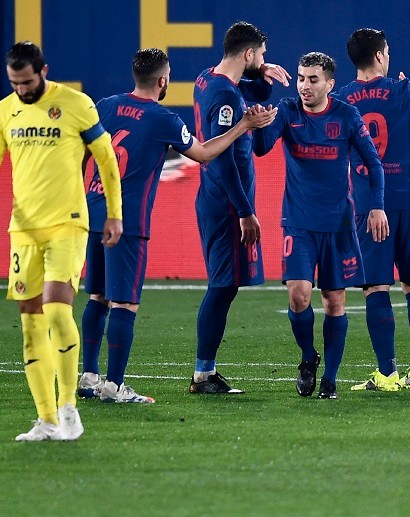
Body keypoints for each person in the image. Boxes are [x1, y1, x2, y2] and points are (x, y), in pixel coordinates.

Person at [78, 49, 278, 403]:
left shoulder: (104, 105)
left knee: (98, 296)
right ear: (163, 81)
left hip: (93, 212)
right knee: (125, 304)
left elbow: (82, 152)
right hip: (127, 222)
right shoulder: (164, 119)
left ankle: (89, 375)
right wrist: (243, 126)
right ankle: (114, 386)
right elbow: (204, 153)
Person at [0, 42, 123, 441]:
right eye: (14, 83)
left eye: (27, 82)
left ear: (43, 71)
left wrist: (114, 213)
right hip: (23, 231)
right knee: (30, 325)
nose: (22, 89)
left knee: (57, 310)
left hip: (67, 224)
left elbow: (106, 158)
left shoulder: (76, 104)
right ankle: (45, 419)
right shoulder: (3, 112)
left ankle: (69, 410)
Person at [253, 52, 389, 399]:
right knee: (299, 296)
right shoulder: (287, 111)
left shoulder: (346, 115)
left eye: (313, 79)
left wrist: (376, 207)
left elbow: (374, 165)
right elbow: (263, 147)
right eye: (300, 78)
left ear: (330, 83)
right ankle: (307, 357)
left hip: (339, 225)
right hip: (298, 222)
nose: (304, 86)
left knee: (333, 302)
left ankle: (329, 379)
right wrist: (257, 122)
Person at [333, 28, 410, 392]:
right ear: (378, 56)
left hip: (371, 204)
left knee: (375, 288)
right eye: (386, 51)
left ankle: (387, 373)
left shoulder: (341, 100)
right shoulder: (404, 90)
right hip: (409, 201)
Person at [190, 21, 290, 394]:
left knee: (226, 285)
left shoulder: (206, 79)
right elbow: (223, 158)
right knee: (222, 286)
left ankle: (205, 371)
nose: (265, 60)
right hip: (226, 202)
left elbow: (246, 92)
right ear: (247, 53)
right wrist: (246, 210)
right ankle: (203, 374)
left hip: (214, 198)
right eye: (260, 55)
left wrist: (261, 74)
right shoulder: (228, 98)